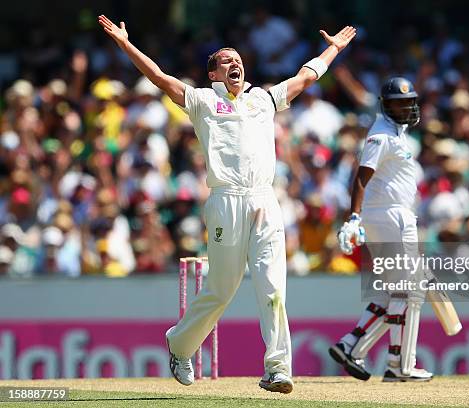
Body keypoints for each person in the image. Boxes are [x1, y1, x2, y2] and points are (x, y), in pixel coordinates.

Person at [98, 15, 356, 393]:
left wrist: (332, 49)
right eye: (226, 60)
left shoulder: (263, 99)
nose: (235, 63)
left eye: (238, 59)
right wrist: (124, 43)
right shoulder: (201, 100)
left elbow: (305, 77)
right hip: (226, 202)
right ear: (214, 73)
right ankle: (181, 344)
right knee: (222, 288)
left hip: (265, 199)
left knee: (273, 286)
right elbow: (157, 76)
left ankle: (278, 368)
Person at [330, 77, 433, 382]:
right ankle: (399, 364)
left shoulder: (397, 134)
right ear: (386, 105)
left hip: (392, 216)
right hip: (390, 218)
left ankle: (353, 345)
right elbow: (361, 178)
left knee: (396, 292)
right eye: (399, 102)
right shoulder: (381, 135)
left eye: (409, 101)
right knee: (410, 291)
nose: (407, 107)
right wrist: (353, 218)